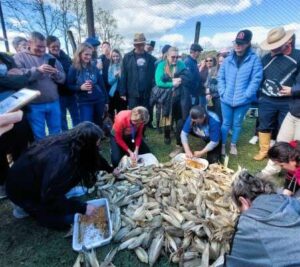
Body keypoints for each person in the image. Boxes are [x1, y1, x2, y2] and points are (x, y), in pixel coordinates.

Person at [6, 122, 114, 229]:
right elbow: (49, 196)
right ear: (87, 145)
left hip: (36, 181)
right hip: (22, 191)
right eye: (97, 144)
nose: (99, 147)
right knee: (64, 218)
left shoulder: (72, 141)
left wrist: (110, 169)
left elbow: (93, 155)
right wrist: (83, 208)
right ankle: (24, 208)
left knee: (60, 199)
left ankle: (53, 197)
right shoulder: (63, 162)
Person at [225, 170, 300, 266]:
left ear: (243, 202)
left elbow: (234, 262)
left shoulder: (249, 223)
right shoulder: (289, 200)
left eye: (240, 210)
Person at [254, 27, 300, 160]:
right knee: (264, 124)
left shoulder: (298, 56)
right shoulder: (265, 58)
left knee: (284, 129)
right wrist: (260, 95)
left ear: (288, 41)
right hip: (266, 99)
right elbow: (259, 77)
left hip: (289, 100)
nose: (272, 49)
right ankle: (264, 150)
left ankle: (282, 154)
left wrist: (293, 90)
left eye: (276, 46)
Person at [14, 31, 65, 140]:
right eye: (38, 46)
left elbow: (63, 78)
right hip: (34, 105)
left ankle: (55, 155)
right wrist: (38, 70)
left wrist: (55, 73)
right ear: (29, 43)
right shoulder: (19, 57)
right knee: (39, 135)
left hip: (54, 102)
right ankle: (43, 156)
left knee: (56, 133)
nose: (42, 50)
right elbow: (17, 76)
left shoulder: (51, 57)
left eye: (44, 47)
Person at [218, 29, 263, 155]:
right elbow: (220, 77)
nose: (238, 45)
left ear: (248, 43)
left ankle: (233, 144)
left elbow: (256, 79)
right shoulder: (227, 60)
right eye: (236, 42)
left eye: (241, 43)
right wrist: (222, 91)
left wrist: (247, 94)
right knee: (225, 123)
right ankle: (222, 145)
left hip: (243, 100)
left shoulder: (254, 60)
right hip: (226, 99)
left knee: (237, 123)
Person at [0, 52, 33, 199]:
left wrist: (9, 79)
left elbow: (23, 81)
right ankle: (4, 183)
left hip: (18, 113)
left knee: (20, 148)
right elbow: (17, 80)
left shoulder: (6, 58)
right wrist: (9, 78)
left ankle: (22, 178)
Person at [155, 46, 192, 145]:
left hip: (180, 95)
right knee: (167, 116)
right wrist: (172, 83)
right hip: (166, 96)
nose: (175, 59)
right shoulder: (161, 65)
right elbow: (158, 82)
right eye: (173, 57)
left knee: (179, 116)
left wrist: (180, 80)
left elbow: (187, 77)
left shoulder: (181, 64)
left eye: (177, 57)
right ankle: (167, 135)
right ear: (167, 56)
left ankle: (179, 136)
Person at [67, 43, 108, 128]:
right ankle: (87, 141)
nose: (89, 57)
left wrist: (106, 101)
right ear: (80, 53)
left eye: (90, 54)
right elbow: (68, 86)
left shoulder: (93, 67)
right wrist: (80, 88)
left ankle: (97, 141)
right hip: (84, 102)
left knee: (98, 124)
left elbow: (101, 84)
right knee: (86, 126)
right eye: (86, 54)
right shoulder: (74, 68)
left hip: (98, 100)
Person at [47, 35, 80, 131]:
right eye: (53, 46)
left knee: (76, 117)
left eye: (58, 45)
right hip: (59, 94)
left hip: (71, 92)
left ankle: (78, 135)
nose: (56, 48)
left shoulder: (66, 57)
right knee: (62, 119)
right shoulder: (48, 59)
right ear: (48, 47)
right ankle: (66, 138)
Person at [120, 33, 156, 110]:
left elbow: (154, 76)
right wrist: (122, 92)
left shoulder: (152, 59)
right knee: (134, 116)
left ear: (144, 44)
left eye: (141, 44)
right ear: (134, 45)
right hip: (133, 93)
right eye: (137, 44)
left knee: (147, 116)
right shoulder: (127, 57)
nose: (139, 46)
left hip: (147, 93)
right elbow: (123, 75)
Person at [108, 49, 126, 118]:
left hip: (122, 93)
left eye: (117, 56)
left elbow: (125, 79)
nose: (115, 58)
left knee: (121, 111)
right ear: (111, 57)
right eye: (113, 56)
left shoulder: (123, 66)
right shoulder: (110, 67)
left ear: (120, 56)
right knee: (111, 111)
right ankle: (112, 127)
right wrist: (115, 77)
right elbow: (109, 82)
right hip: (113, 93)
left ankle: (122, 126)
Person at [205, 55, 222, 120]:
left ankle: (219, 128)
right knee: (210, 114)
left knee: (219, 115)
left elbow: (222, 87)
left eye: (222, 61)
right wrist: (208, 92)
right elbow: (207, 83)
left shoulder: (228, 72)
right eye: (220, 61)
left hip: (219, 98)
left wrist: (210, 88)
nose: (221, 63)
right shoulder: (213, 69)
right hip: (211, 97)